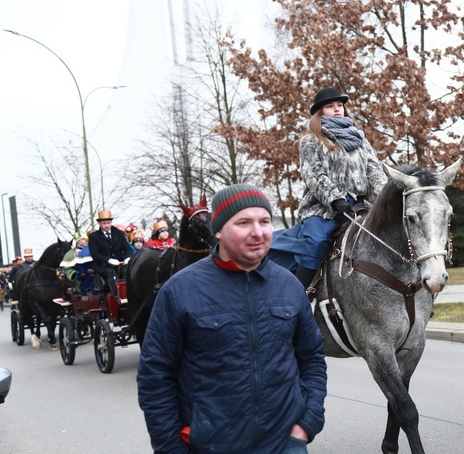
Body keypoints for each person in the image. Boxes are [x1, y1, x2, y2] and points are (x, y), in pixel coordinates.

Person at [138, 183, 327, 453]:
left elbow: (311, 358)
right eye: (243, 222)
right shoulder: (179, 290)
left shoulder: (290, 285)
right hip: (210, 445)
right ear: (218, 230)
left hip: (285, 442)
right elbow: (155, 376)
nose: (258, 232)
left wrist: (308, 422)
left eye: (265, 221)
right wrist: (171, 448)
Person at [269, 87, 387, 288]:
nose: (337, 109)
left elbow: (374, 169)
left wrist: (385, 196)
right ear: (320, 112)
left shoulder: (360, 140)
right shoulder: (311, 140)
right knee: (316, 242)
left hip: (361, 204)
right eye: (330, 106)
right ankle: (301, 294)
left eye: (339, 105)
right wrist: (336, 200)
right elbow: (313, 174)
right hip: (323, 209)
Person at [88, 209, 133, 295]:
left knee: (127, 270)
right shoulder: (94, 237)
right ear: (99, 224)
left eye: (108, 223)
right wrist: (108, 260)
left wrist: (128, 257)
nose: (106, 225)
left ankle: (129, 294)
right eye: (104, 223)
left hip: (119, 263)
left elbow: (127, 248)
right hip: (102, 265)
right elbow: (95, 255)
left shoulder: (119, 233)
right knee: (111, 273)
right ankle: (117, 296)